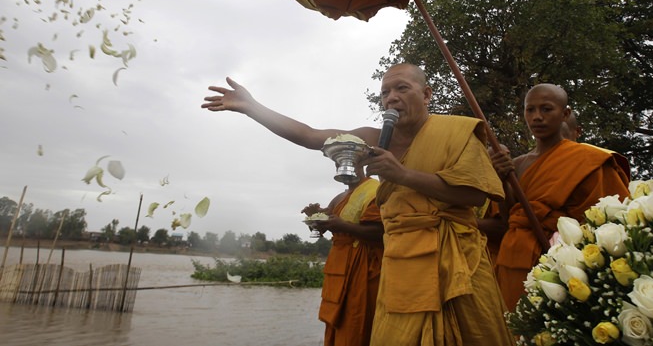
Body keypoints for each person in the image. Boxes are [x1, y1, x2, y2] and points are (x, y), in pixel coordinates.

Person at [202, 63, 515, 346]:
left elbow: (474, 196)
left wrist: (403, 175)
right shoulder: (375, 138)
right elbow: (311, 135)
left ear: (426, 94)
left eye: (402, 89)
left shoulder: (456, 132)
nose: (391, 98)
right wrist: (252, 107)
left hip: (459, 262)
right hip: (402, 263)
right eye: (385, 93)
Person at [482, 83, 630, 311]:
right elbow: (510, 219)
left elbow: (610, 219)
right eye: (530, 110)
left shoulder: (587, 160)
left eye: (546, 109)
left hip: (566, 263)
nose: (537, 117)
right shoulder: (518, 164)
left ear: (565, 114)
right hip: (515, 260)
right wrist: (501, 179)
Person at [301, 166, 384, 346]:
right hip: (337, 266)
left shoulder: (374, 190)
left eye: (346, 162)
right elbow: (325, 227)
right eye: (338, 164)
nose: (342, 169)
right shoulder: (340, 197)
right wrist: (315, 219)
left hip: (362, 265)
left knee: (357, 322)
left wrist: (344, 226)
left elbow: (381, 233)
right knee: (335, 321)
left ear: (360, 162)